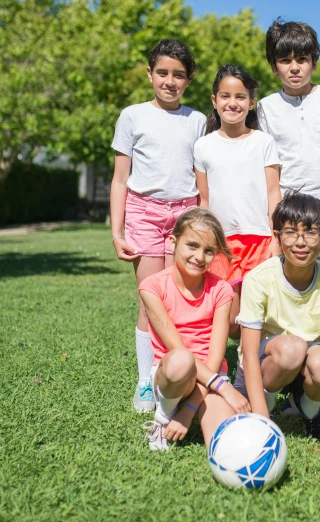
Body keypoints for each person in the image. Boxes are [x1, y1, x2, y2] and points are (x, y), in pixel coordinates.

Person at [110, 40, 207, 414]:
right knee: (151, 298)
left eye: (179, 75)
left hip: (184, 215)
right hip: (144, 213)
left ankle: (175, 372)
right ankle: (146, 380)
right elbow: (120, 179)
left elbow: (202, 178)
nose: (170, 81)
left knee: (179, 297)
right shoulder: (132, 116)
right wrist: (117, 234)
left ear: (189, 79)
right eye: (163, 73)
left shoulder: (197, 120)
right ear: (149, 73)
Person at [232, 192, 320, 459]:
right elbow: (248, 349)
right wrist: (260, 419)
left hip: (306, 365)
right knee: (292, 347)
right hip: (267, 364)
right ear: (277, 236)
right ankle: (264, 411)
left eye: (311, 233)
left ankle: (310, 410)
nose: (300, 243)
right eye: (290, 232)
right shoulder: (259, 279)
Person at [139, 208, 251, 451]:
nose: (199, 257)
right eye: (192, 245)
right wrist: (224, 388)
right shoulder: (152, 287)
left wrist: (189, 410)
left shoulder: (221, 289)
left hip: (209, 378)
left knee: (226, 444)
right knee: (181, 360)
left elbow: (214, 358)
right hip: (172, 376)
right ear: (173, 242)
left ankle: (186, 411)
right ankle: (164, 416)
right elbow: (178, 351)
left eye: (209, 251)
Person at [256, 18, 320, 275]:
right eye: (285, 60)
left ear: (313, 62)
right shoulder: (265, 108)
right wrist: (273, 222)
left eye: (302, 59)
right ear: (273, 66)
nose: (294, 68)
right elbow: (269, 170)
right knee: (288, 292)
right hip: (287, 216)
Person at [194, 64, 282, 335]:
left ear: (252, 102)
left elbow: (273, 193)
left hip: (260, 242)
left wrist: (276, 238)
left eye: (240, 97)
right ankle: (218, 368)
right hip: (221, 244)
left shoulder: (264, 142)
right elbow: (204, 200)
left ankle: (253, 372)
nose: (232, 103)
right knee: (228, 319)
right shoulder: (203, 145)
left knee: (257, 317)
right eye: (225, 96)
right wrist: (203, 241)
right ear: (214, 100)